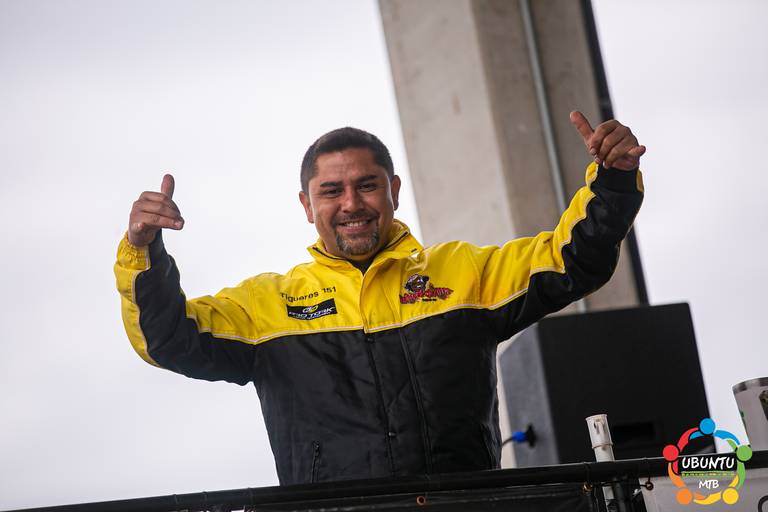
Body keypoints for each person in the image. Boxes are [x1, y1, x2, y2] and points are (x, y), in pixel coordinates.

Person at [114, 111, 645, 486]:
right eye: (331, 191)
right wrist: (142, 249)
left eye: (367, 185)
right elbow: (167, 339)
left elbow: (572, 260)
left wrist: (614, 181)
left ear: (393, 190)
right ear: (306, 205)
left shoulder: (463, 273)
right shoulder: (265, 306)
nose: (351, 204)